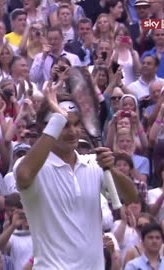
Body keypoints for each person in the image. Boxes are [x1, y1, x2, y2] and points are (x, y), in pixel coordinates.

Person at [14, 87, 138, 267]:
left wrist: (112, 169)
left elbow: (131, 196)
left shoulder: (94, 164)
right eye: (64, 125)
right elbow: (24, 176)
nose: (72, 131)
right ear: (46, 127)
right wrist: (58, 117)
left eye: (76, 123)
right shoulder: (30, 165)